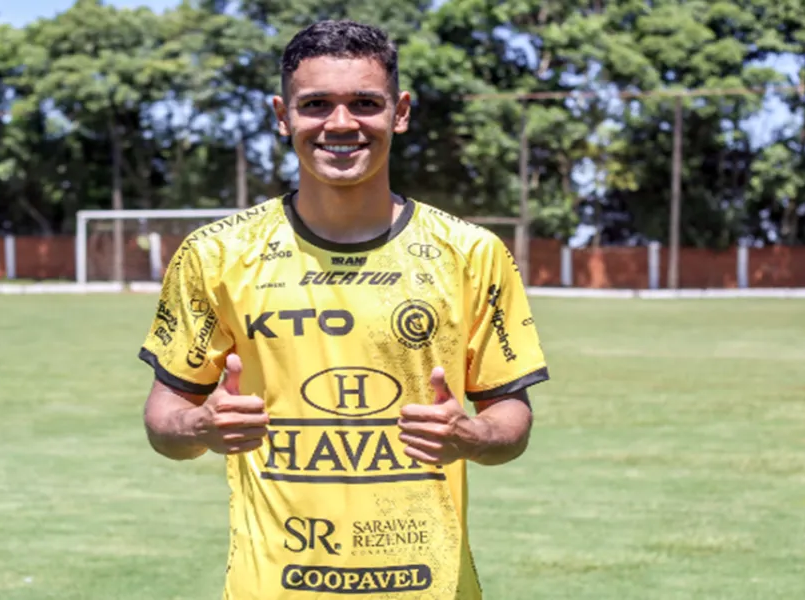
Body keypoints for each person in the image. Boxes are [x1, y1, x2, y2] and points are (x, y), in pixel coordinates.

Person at [137, 19, 549, 599]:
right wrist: (201, 425)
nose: (340, 123)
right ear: (282, 115)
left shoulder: (471, 254)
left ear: (399, 112)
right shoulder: (215, 254)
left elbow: (511, 420)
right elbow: (163, 420)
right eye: (315, 104)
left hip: (428, 586)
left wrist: (471, 435)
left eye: (364, 103)